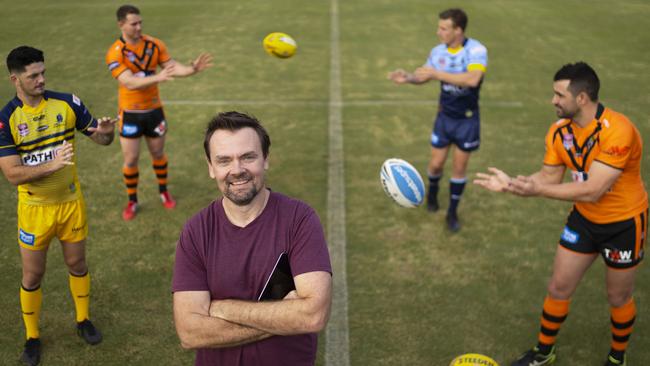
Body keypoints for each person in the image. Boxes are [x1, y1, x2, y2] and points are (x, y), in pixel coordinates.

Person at [474, 62, 647, 366]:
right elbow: (548, 178)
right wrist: (512, 184)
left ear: (581, 98)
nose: (553, 100)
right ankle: (543, 353)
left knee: (618, 297)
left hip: (624, 224)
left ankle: (616, 358)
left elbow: (594, 189)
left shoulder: (618, 131)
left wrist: (536, 191)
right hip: (583, 219)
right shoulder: (559, 132)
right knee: (558, 287)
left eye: (558, 95)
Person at [172, 111, 332, 366]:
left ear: (265, 159)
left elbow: (313, 316)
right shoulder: (196, 231)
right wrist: (284, 317)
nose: (237, 170)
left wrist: (222, 309)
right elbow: (190, 333)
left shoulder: (300, 219)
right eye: (224, 160)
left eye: (248, 157)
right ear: (211, 168)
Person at [0, 46, 116, 366]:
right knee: (33, 275)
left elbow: (101, 140)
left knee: (77, 265)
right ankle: (32, 337)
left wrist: (107, 133)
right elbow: (12, 174)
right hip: (35, 209)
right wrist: (51, 165)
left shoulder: (67, 103)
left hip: (70, 204)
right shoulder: (6, 118)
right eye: (32, 75)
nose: (41, 79)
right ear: (15, 79)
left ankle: (83, 320)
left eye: (42, 73)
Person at [105, 4, 213, 220]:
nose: (139, 27)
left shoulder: (155, 45)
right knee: (131, 159)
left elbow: (171, 65)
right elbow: (129, 82)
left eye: (140, 22)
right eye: (133, 23)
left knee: (158, 154)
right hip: (130, 113)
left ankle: (163, 192)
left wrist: (192, 69)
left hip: (154, 111)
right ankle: (132, 201)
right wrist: (158, 77)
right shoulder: (115, 53)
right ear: (121, 24)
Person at [388, 8, 488, 232]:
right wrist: (408, 79)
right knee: (435, 164)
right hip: (444, 117)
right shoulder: (437, 52)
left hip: (467, 120)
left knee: (459, 168)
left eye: (444, 28)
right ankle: (432, 193)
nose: (438, 32)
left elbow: (473, 79)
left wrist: (437, 75)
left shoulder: (476, 50)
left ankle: (452, 212)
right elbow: (425, 76)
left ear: (458, 30)